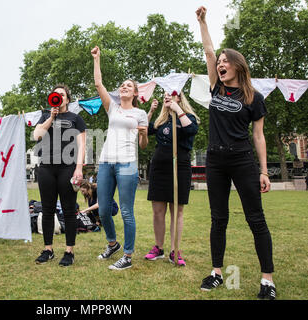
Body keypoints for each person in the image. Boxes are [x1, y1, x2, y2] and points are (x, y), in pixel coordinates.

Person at [197, 6, 276, 299]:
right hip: (215, 159)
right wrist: (203, 22)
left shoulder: (254, 97)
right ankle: (217, 273)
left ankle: (267, 280)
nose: (220, 63)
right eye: (219, 61)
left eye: (226, 61)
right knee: (218, 218)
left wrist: (264, 170)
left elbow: (259, 135)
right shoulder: (216, 88)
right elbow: (207, 51)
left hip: (242, 160)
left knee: (255, 218)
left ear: (238, 66)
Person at [91, 45, 149, 270]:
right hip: (106, 163)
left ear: (135, 93)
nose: (124, 87)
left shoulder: (140, 114)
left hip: (127, 164)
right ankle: (112, 243)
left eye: (129, 86)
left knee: (126, 211)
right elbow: (98, 84)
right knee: (103, 209)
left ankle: (127, 255)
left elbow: (143, 146)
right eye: (122, 85)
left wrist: (143, 135)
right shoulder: (112, 108)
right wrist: (97, 59)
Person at [33, 84, 86, 267]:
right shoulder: (45, 115)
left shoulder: (76, 119)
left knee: (69, 210)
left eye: (62, 95)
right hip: (46, 168)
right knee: (47, 210)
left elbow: (82, 146)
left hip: (68, 168)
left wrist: (79, 168)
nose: (59, 97)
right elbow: (37, 135)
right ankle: (48, 250)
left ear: (68, 100)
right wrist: (51, 116)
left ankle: (69, 251)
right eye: (56, 95)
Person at [144, 93, 199, 267]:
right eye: (165, 95)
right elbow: (144, 128)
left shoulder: (188, 117)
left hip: (179, 166)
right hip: (159, 167)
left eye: (172, 95)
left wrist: (178, 110)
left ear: (180, 98)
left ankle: (175, 250)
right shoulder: (161, 121)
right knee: (158, 210)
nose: (167, 97)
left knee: (177, 211)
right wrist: (151, 112)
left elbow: (191, 130)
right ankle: (158, 248)